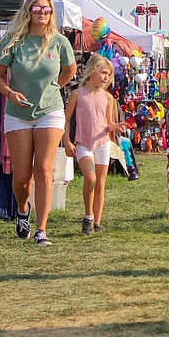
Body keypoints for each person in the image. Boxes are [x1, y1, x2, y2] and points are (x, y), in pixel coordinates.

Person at [0, 0, 78, 246]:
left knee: (44, 169)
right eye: (37, 8)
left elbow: (70, 70)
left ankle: (42, 230)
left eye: (47, 9)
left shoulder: (60, 42)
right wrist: (10, 93)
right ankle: (22, 209)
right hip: (17, 114)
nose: (42, 12)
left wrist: (54, 87)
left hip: (50, 111)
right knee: (21, 176)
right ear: (28, 11)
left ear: (52, 14)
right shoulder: (13, 41)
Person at [63, 55, 124, 234]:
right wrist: (67, 141)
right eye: (104, 73)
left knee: (101, 183)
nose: (106, 77)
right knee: (90, 178)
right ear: (93, 70)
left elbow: (108, 123)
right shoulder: (77, 94)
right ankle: (88, 215)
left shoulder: (108, 98)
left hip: (103, 142)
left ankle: (97, 221)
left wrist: (117, 127)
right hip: (83, 143)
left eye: (109, 74)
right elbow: (66, 120)